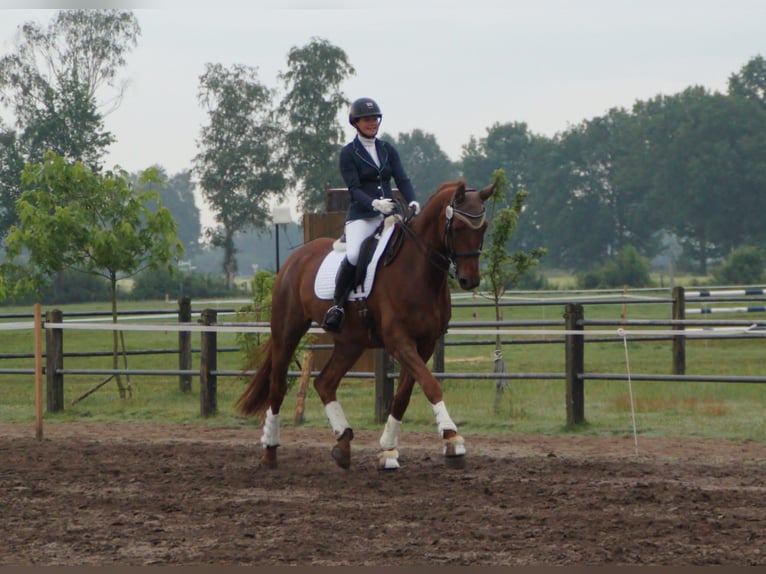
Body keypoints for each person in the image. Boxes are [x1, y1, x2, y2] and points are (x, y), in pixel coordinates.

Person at [321, 97, 420, 332]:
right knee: (355, 255)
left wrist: (413, 200)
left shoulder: (387, 149)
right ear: (355, 123)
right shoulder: (349, 153)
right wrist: (375, 203)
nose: (372, 123)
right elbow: (354, 190)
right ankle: (338, 306)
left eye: (375, 118)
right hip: (362, 217)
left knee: (407, 249)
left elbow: (402, 179)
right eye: (366, 119)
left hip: (389, 216)